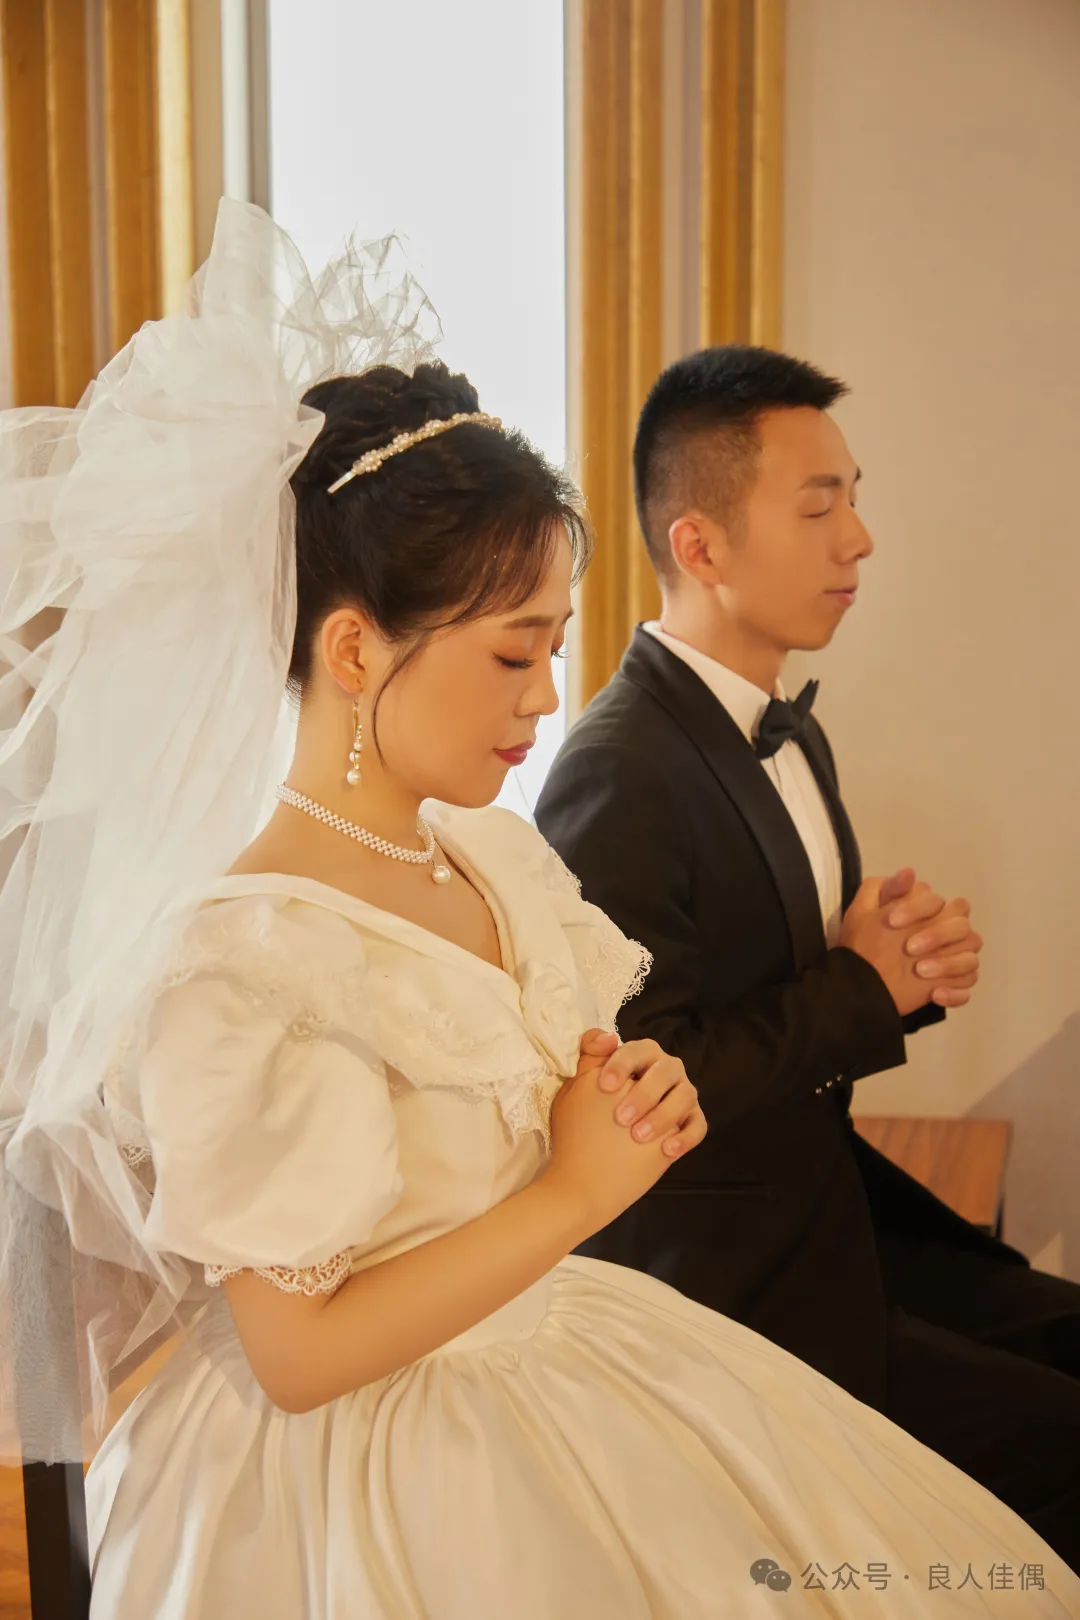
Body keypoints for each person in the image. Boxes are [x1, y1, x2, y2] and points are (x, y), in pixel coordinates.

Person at [1, 208, 1075, 1620]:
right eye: (515, 655)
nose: (547, 697)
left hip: (569, 1350)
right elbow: (298, 1358)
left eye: (557, 647)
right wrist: (575, 1192)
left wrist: (631, 1097)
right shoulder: (245, 957)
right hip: (362, 1474)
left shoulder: (497, 861)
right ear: (352, 647)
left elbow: (557, 1113)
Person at [534, 345, 1080, 1570]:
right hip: (725, 1285)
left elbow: (787, 985)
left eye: (854, 500)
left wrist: (901, 975)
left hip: (833, 1210)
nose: (861, 540)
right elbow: (635, 1084)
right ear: (702, 546)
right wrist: (861, 987)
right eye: (820, 507)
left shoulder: (785, 733)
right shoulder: (617, 771)